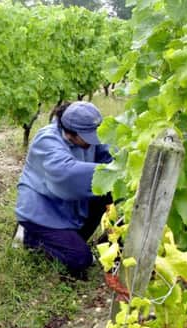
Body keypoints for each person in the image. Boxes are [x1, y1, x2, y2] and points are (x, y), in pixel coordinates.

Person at [14, 101, 113, 278]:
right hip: (43, 212)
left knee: (108, 192)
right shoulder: (47, 139)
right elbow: (67, 174)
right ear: (70, 133)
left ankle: (71, 240)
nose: (93, 141)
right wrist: (113, 172)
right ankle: (29, 237)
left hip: (67, 204)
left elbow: (108, 153)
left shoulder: (85, 136)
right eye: (88, 137)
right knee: (80, 260)